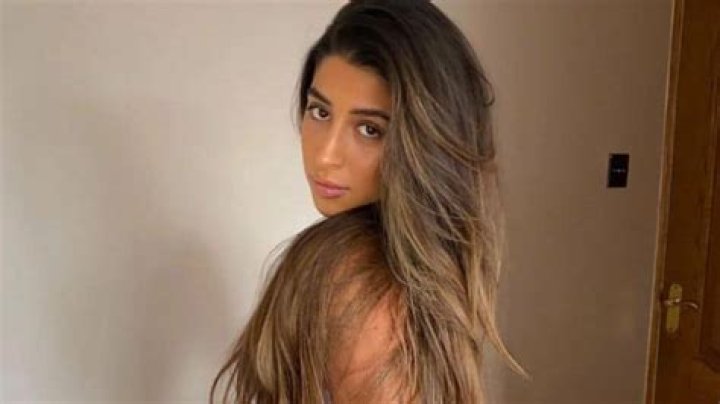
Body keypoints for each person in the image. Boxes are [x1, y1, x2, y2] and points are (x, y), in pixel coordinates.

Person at [210, 1, 527, 402]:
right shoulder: (428, 276)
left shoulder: (348, 274)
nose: (326, 155)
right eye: (319, 111)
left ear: (424, 143)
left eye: (369, 129)